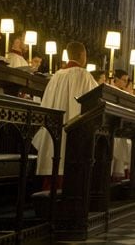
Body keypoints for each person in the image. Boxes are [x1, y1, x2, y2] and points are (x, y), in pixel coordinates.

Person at [31, 42, 98, 189]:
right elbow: (97, 101)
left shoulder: (56, 76)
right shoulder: (85, 76)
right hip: (73, 130)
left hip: (53, 130)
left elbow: (46, 103)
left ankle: (48, 200)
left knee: (54, 163)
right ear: (82, 55)